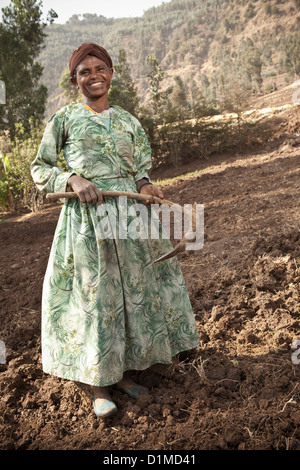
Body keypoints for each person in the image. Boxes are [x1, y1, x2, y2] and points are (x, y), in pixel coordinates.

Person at [31, 43, 200, 418]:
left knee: (133, 292)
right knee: (98, 297)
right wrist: (72, 178)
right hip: (89, 221)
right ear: (75, 80)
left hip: (131, 218)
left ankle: (124, 373)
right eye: (84, 72)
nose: (93, 76)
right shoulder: (64, 120)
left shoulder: (128, 120)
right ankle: (98, 384)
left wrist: (145, 187)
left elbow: (141, 169)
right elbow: (40, 167)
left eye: (99, 69)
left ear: (110, 73)